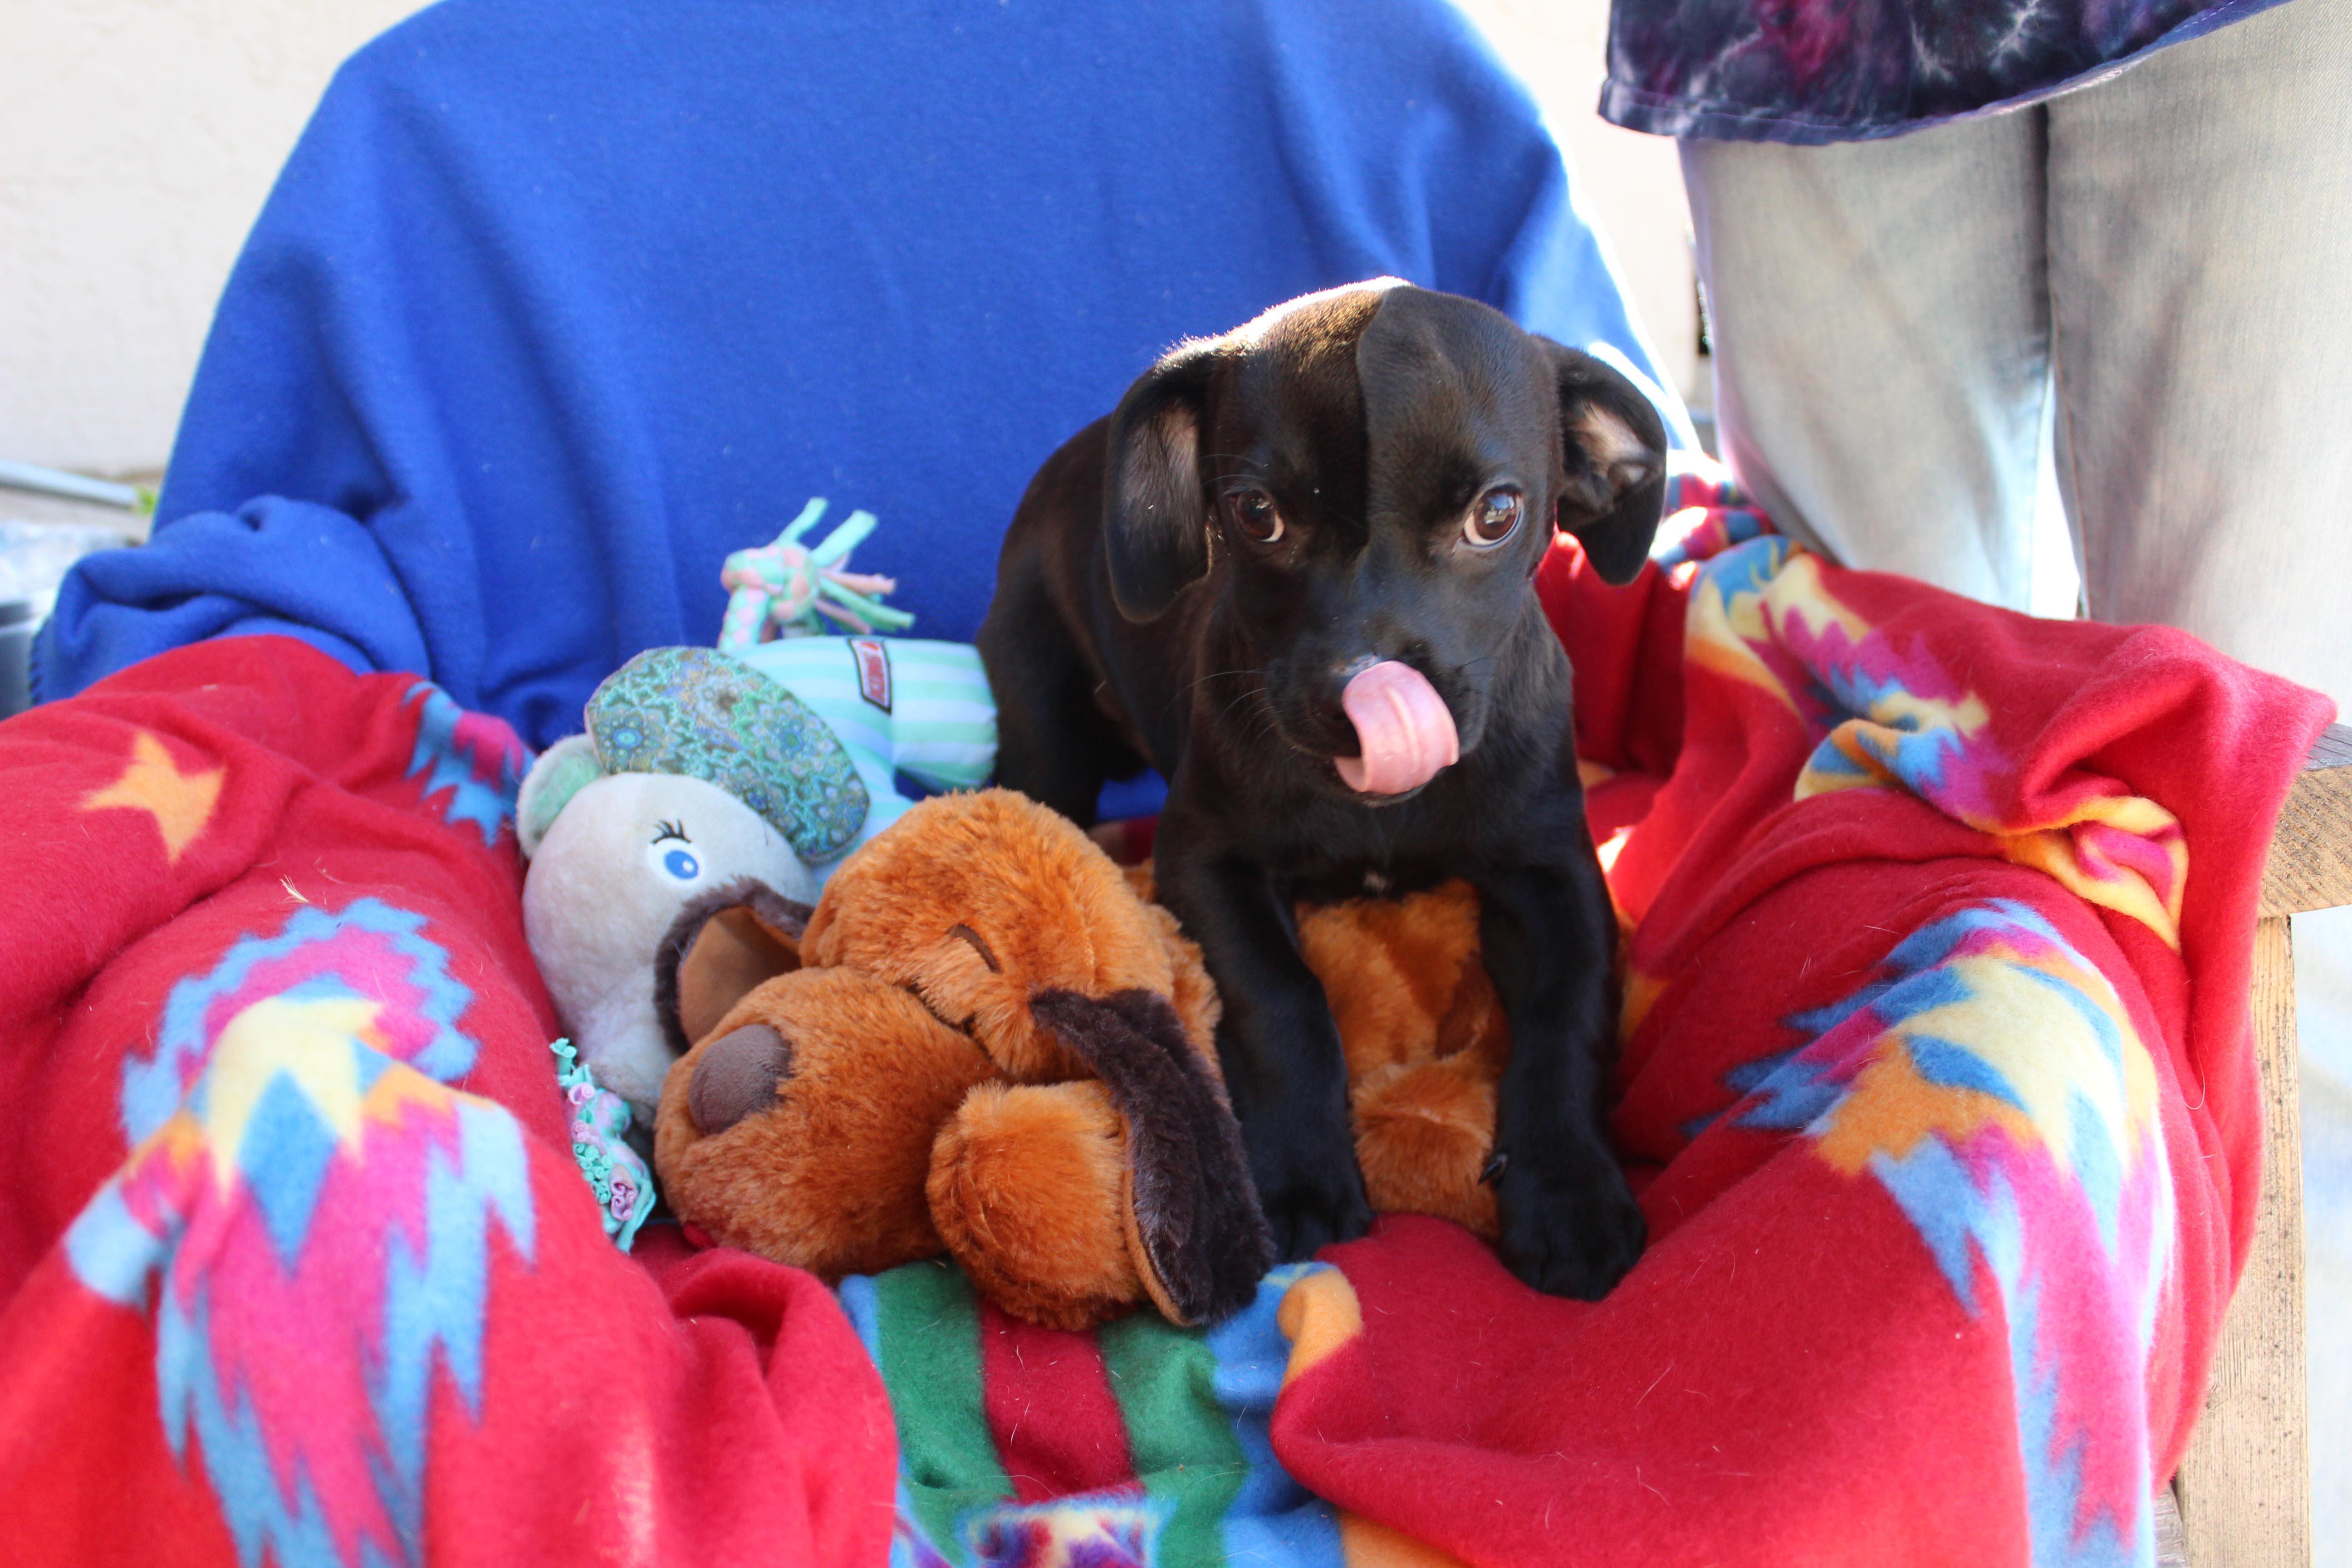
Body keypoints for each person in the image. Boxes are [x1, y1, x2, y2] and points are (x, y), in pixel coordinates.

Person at [1599, 0, 2352, 1540]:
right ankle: (1906, 1468)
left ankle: (2222, 1496)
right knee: (1861, 773)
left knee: (2232, 808)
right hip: (1806, 34)